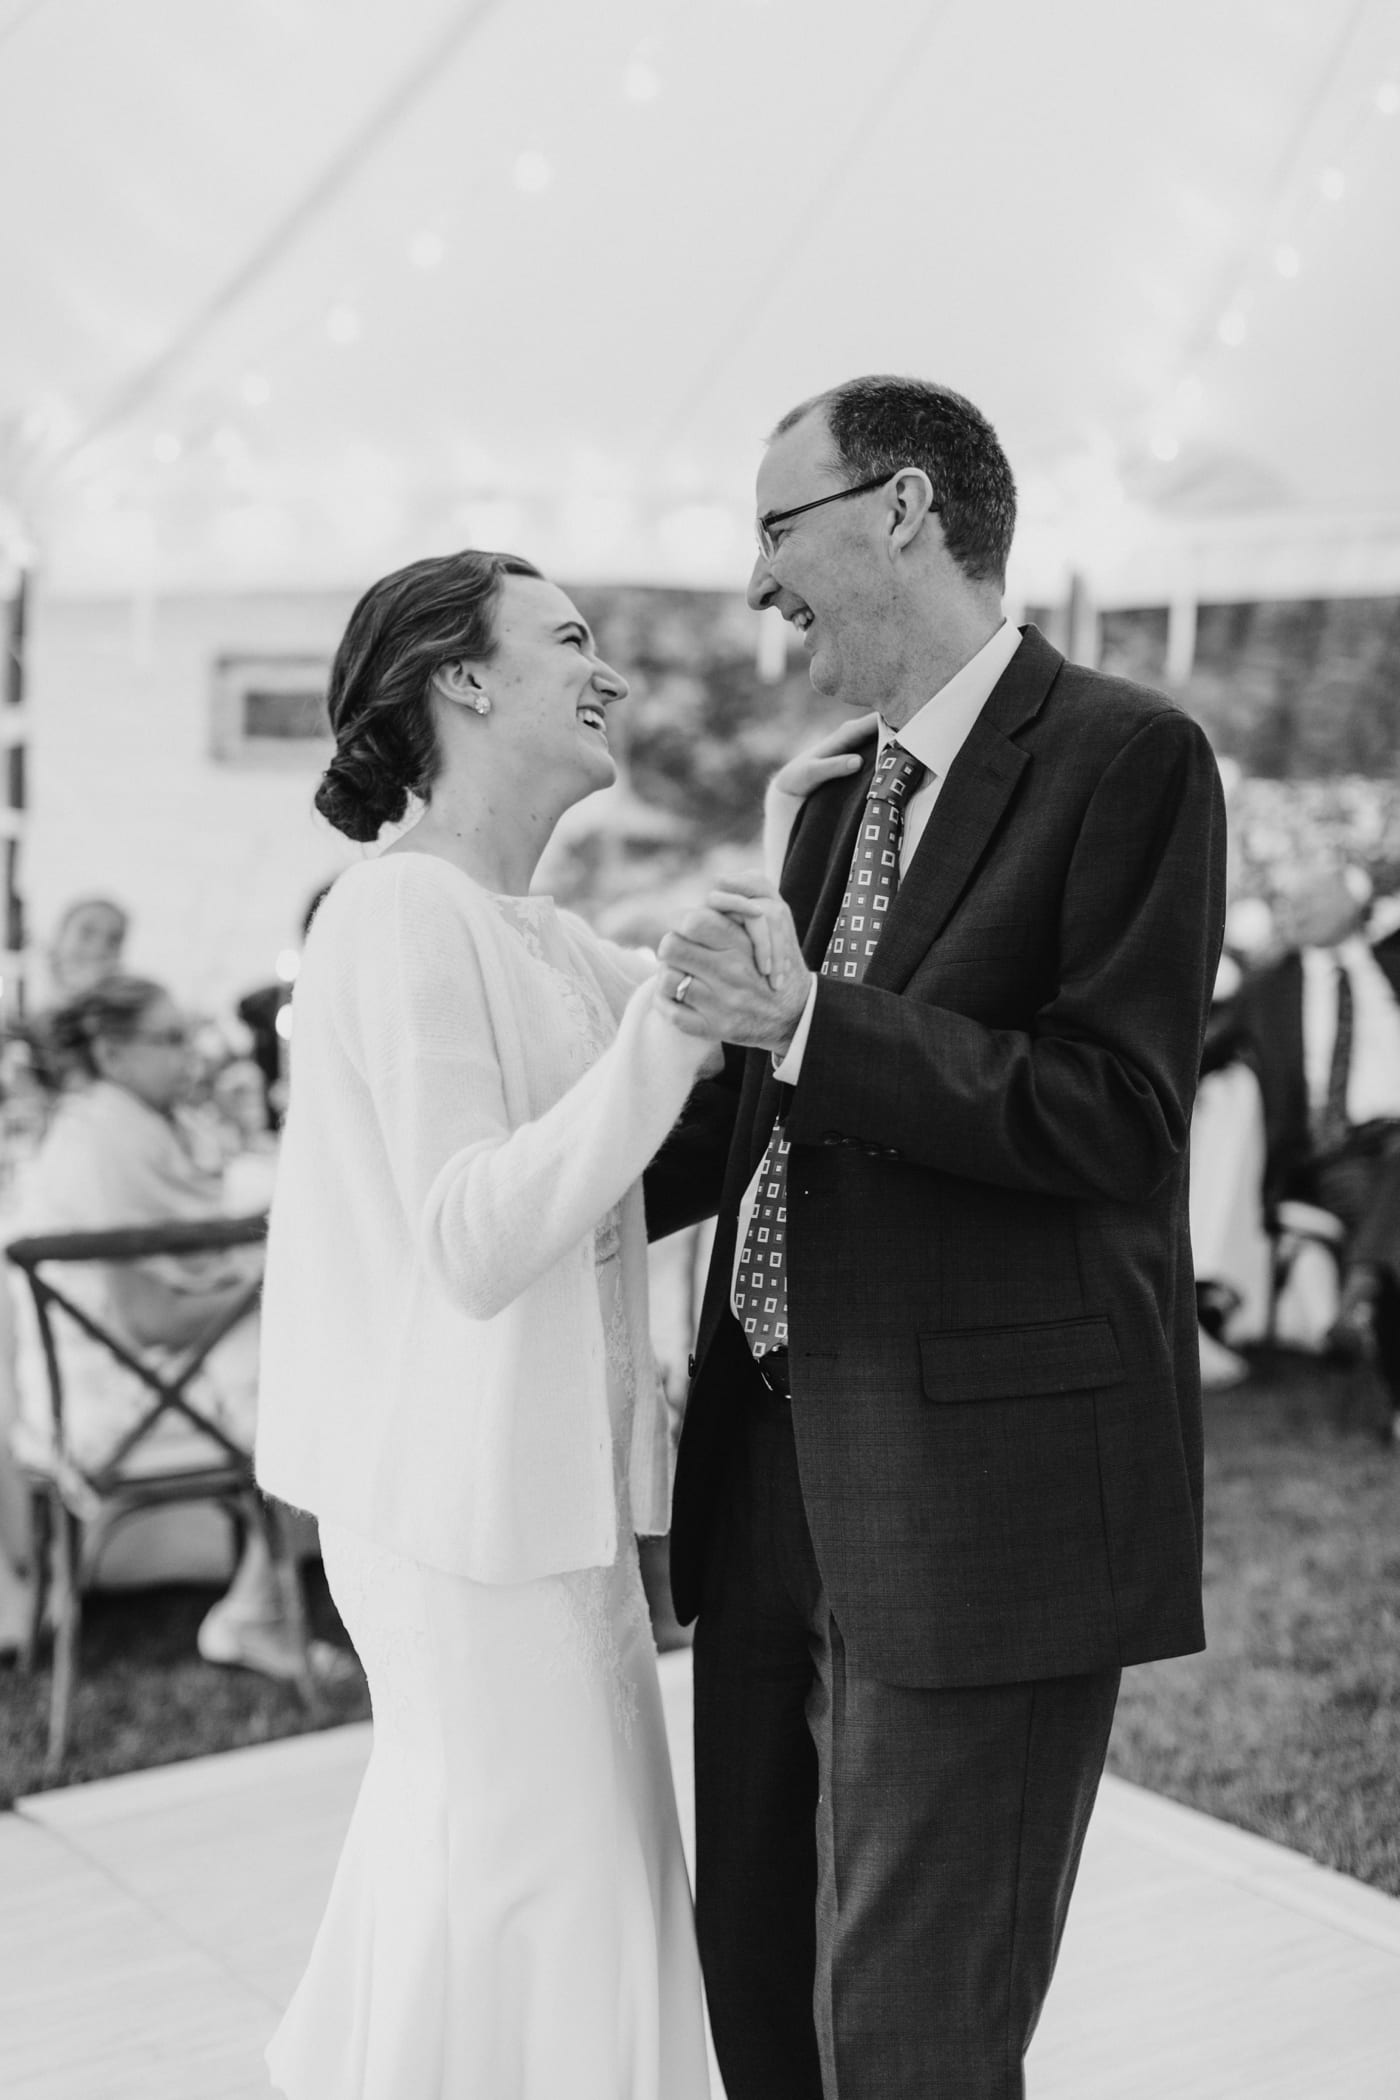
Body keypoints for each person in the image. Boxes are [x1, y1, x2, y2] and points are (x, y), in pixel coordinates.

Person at [645, 374, 1227, 2100]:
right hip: (766, 1471)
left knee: (910, 2035)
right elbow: (761, 1114)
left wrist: (817, 1021)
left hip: (983, 1498)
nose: (759, 587)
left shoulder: (1130, 755)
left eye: (777, 530)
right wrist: (519, 1174)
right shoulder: (829, 802)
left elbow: (1116, 1114)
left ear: (902, 508)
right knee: (758, 1993)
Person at [252, 548, 856, 2100]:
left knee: (557, 1872)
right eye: (571, 642)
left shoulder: (536, 932)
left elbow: (697, 1053)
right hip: (459, 1518)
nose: (611, 674)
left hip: (551, 1510)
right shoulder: (396, 918)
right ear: (462, 676)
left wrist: (805, 839)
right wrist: (668, 1026)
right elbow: (471, 1234)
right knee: (540, 1878)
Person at [6, 975, 322, 1679]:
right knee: (320, 1372)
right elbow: (153, 1319)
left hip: (111, 1379)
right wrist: (277, 1286)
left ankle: (260, 1600)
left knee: (301, 1354)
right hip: (112, 1406)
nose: (193, 1056)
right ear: (114, 1054)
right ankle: (257, 1607)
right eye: (171, 1040)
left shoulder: (118, 1121)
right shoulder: (103, 1140)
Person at [1202, 855, 1400, 1442]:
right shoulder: (1270, 987)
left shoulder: (1389, 967)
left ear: (1353, 903)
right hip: (1338, 1155)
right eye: (1290, 901)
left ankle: (1360, 1296)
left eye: (1312, 896)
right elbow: (1194, 1053)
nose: (1297, 909)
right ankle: (1365, 1298)